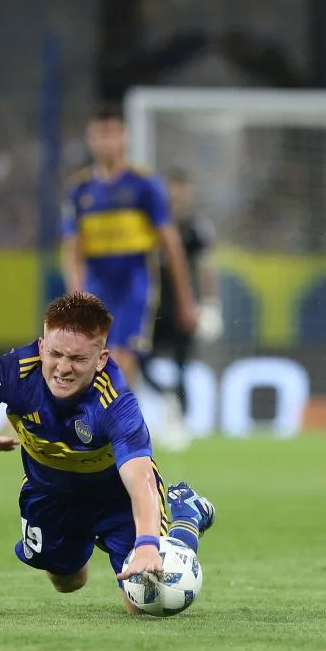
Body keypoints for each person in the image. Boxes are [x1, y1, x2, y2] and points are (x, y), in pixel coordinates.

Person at [0, 293, 215, 612]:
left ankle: (186, 518)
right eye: (55, 354)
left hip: (116, 498)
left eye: (78, 360)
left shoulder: (117, 402)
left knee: (144, 602)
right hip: (49, 494)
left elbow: (140, 480)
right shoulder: (16, 371)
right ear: (42, 347)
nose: (63, 369)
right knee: (67, 582)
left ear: (100, 359)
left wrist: (148, 544)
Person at [60, 104, 198, 401]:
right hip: (96, 281)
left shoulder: (145, 185)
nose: (106, 142)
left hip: (134, 279)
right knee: (89, 360)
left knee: (120, 359)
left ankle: (113, 431)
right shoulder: (80, 190)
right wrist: (75, 295)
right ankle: (113, 426)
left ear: (124, 137)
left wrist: (186, 300)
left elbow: (171, 245)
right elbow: (72, 250)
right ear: (90, 139)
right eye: (99, 135)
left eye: (111, 134)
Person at [141, 166, 223, 451]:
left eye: (181, 188)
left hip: (182, 307)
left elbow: (206, 268)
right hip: (150, 306)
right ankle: (166, 398)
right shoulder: (147, 224)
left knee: (182, 366)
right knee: (140, 360)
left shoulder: (195, 228)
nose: (177, 194)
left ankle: (178, 423)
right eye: (172, 187)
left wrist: (210, 304)